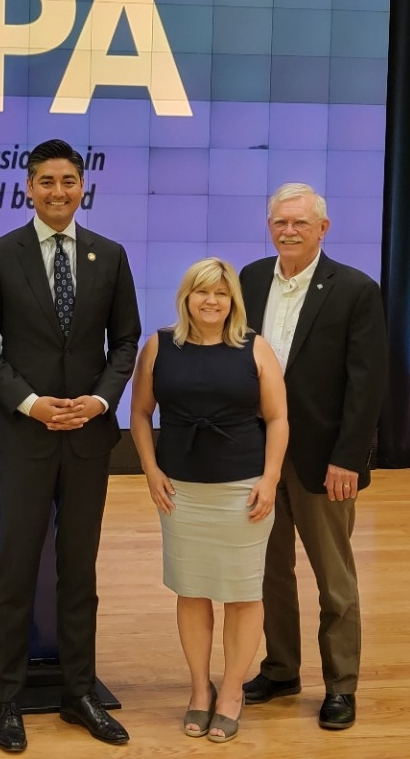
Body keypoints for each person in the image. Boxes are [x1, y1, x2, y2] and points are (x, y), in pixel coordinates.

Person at [0, 139, 141, 751]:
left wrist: (97, 402)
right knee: (14, 571)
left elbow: (125, 342)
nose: (58, 191)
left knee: (79, 571)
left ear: (83, 185)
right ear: (28, 187)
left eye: (69, 180)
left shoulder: (110, 255)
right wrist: (32, 403)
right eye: (47, 181)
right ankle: (7, 700)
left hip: (88, 438)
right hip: (22, 435)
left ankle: (79, 694)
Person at [238, 183, 388, 731]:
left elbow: (366, 384)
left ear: (323, 228)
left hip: (324, 462)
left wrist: (349, 457)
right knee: (268, 572)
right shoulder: (250, 279)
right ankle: (280, 669)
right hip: (257, 458)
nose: (289, 231)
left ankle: (341, 685)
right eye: (280, 221)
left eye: (300, 222)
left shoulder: (355, 290)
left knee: (335, 580)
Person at [129, 258, 289, 743]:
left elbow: (278, 419)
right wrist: (151, 469)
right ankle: (200, 690)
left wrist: (270, 479)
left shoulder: (255, 348)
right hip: (181, 490)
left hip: (244, 491)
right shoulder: (159, 345)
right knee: (192, 590)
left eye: (221, 294)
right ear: (187, 298)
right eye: (202, 292)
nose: (211, 301)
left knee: (243, 594)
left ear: (233, 301)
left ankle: (234, 691)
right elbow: (139, 414)